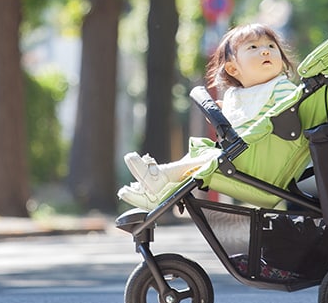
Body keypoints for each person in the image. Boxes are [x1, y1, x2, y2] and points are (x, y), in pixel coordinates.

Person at [118, 23, 300, 210]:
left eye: (271, 46)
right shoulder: (237, 95)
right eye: (253, 47)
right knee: (204, 153)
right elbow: (243, 120)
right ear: (233, 69)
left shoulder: (282, 88)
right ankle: (155, 194)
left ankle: (160, 176)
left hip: (263, 165)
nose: (265, 52)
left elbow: (288, 114)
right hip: (243, 160)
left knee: (213, 156)